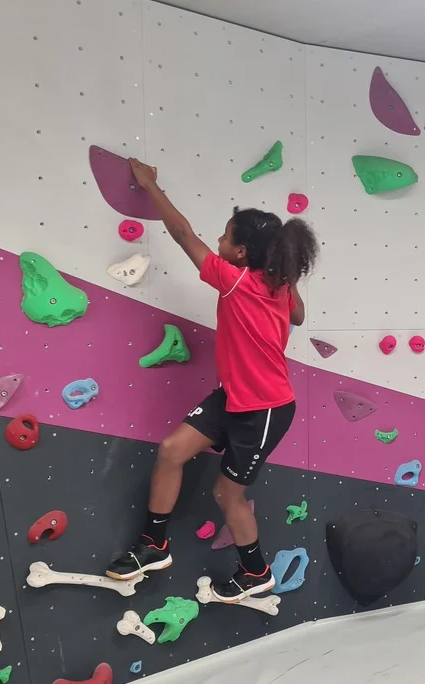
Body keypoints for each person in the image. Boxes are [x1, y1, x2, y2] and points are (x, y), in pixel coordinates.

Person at [104, 158, 318, 602]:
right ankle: (153, 545)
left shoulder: (237, 281)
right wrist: (286, 276)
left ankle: (254, 572)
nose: (218, 240)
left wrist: (149, 185)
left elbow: (183, 233)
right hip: (233, 397)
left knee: (227, 494)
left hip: (266, 409)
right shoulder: (274, 285)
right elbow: (299, 314)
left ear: (240, 253)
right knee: (171, 451)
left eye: (225, 235)